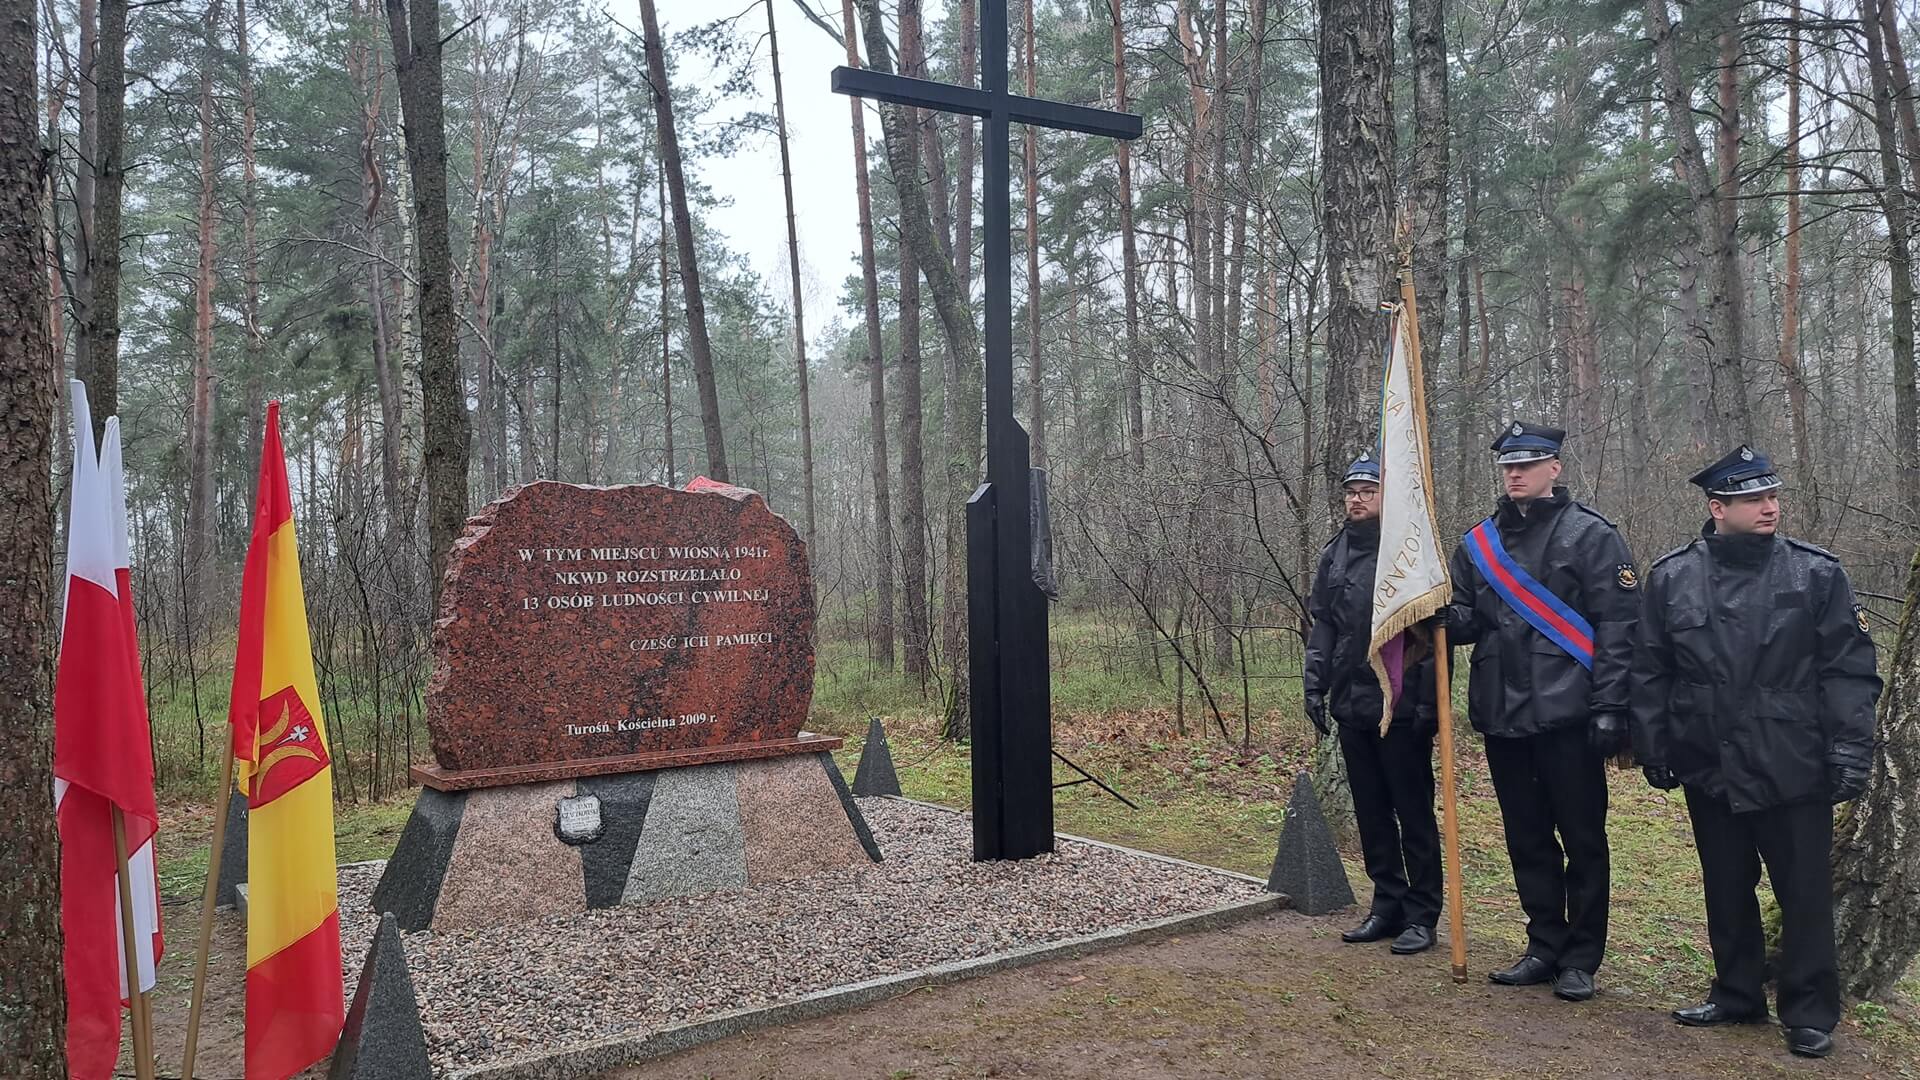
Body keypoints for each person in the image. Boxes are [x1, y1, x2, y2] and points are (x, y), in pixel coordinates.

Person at [1629, 445, 1880, 1059]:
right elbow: (1652, 669)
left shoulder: (1816, 573)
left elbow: (1848, 672)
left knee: (1804, 893)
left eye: (1772, 496)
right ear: (1718, 508)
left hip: (1793, 760)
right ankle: (1736, 992)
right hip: (1707, 758)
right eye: (1753, 499)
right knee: (1725, 885)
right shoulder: (1672, 577)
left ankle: (1810, 1010)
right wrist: (1652, 742)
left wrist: (1851, 749)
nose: (1770, 507)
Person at [1440, 422, 1637, 1002]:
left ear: (1555, 468)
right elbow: (1470, 619)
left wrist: (1611, 707)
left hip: (1572, 716)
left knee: (1582, 839)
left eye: (1529, 464)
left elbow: (1621, 627)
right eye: (1508, 466)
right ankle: (1543, 945)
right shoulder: (1478, 543)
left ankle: (1581, 958)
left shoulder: (1593, 536)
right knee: (1526, 839)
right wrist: (1438, 616)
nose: (1516, 474)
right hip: (1503, 713)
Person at [1304, 452, 1442, 956]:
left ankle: (1423, 914)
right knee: (1372, 812)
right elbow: (1324, 624)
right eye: (1351, 492)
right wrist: (1314, 685)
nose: (1357, 500)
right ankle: (1387, 903)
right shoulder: (1335, 553)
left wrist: (1427, 702)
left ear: (1387, 497)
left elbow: (1432, 634)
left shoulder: (1409, 553)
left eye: (1367, 491)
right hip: (1354, 699)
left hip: (1402, 705)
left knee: (1413, 811)